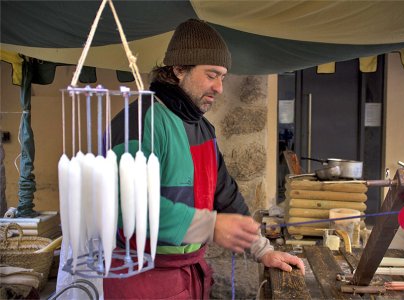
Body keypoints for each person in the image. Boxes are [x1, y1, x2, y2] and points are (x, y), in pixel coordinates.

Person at [105, 18, 305, 299]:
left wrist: (263, 250)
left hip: (189, 276)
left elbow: (225, 194)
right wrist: (209, 226)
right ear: (178, 70)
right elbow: (129, 206)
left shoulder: (201, 127)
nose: (220, 88)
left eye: (223, 77)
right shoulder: (140, 122)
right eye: (211, 75)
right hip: (141, 280)